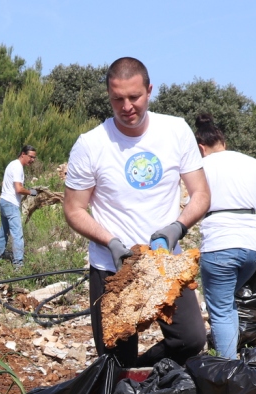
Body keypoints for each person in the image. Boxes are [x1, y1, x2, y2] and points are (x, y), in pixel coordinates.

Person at [63, 57, 210, 367]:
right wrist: (112, 243)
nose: (127, 106)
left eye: (134, 97)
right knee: (115, 358)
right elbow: (74, 209)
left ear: (149, 91)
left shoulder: (175, 130)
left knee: (191, 340)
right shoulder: (91, 144)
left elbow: (201, 194)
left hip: (164, 264)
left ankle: (143, 376)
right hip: (113, 267)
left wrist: (176, 229)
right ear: (108, 96)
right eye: (118, 98)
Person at [194, 113, 256, 360]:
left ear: (201, 147)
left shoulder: (200, 166)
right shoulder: (253, 164)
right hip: (252, 245)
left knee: (220, 310)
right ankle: (233, 358)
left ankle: (227, 371)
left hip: (219, 243)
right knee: (229, 303)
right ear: (223, 142)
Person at [0, 145, 39, 269]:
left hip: (3, 201)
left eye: (34, 158)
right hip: (11, 204)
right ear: (23, 154)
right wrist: (31, 192)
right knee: (17, 234)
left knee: (3, 231)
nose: (32, 160)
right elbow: (19, 189)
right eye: (30, 157)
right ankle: (18, 264)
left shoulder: (12, 164)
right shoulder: (18, 167)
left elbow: (5, 183)